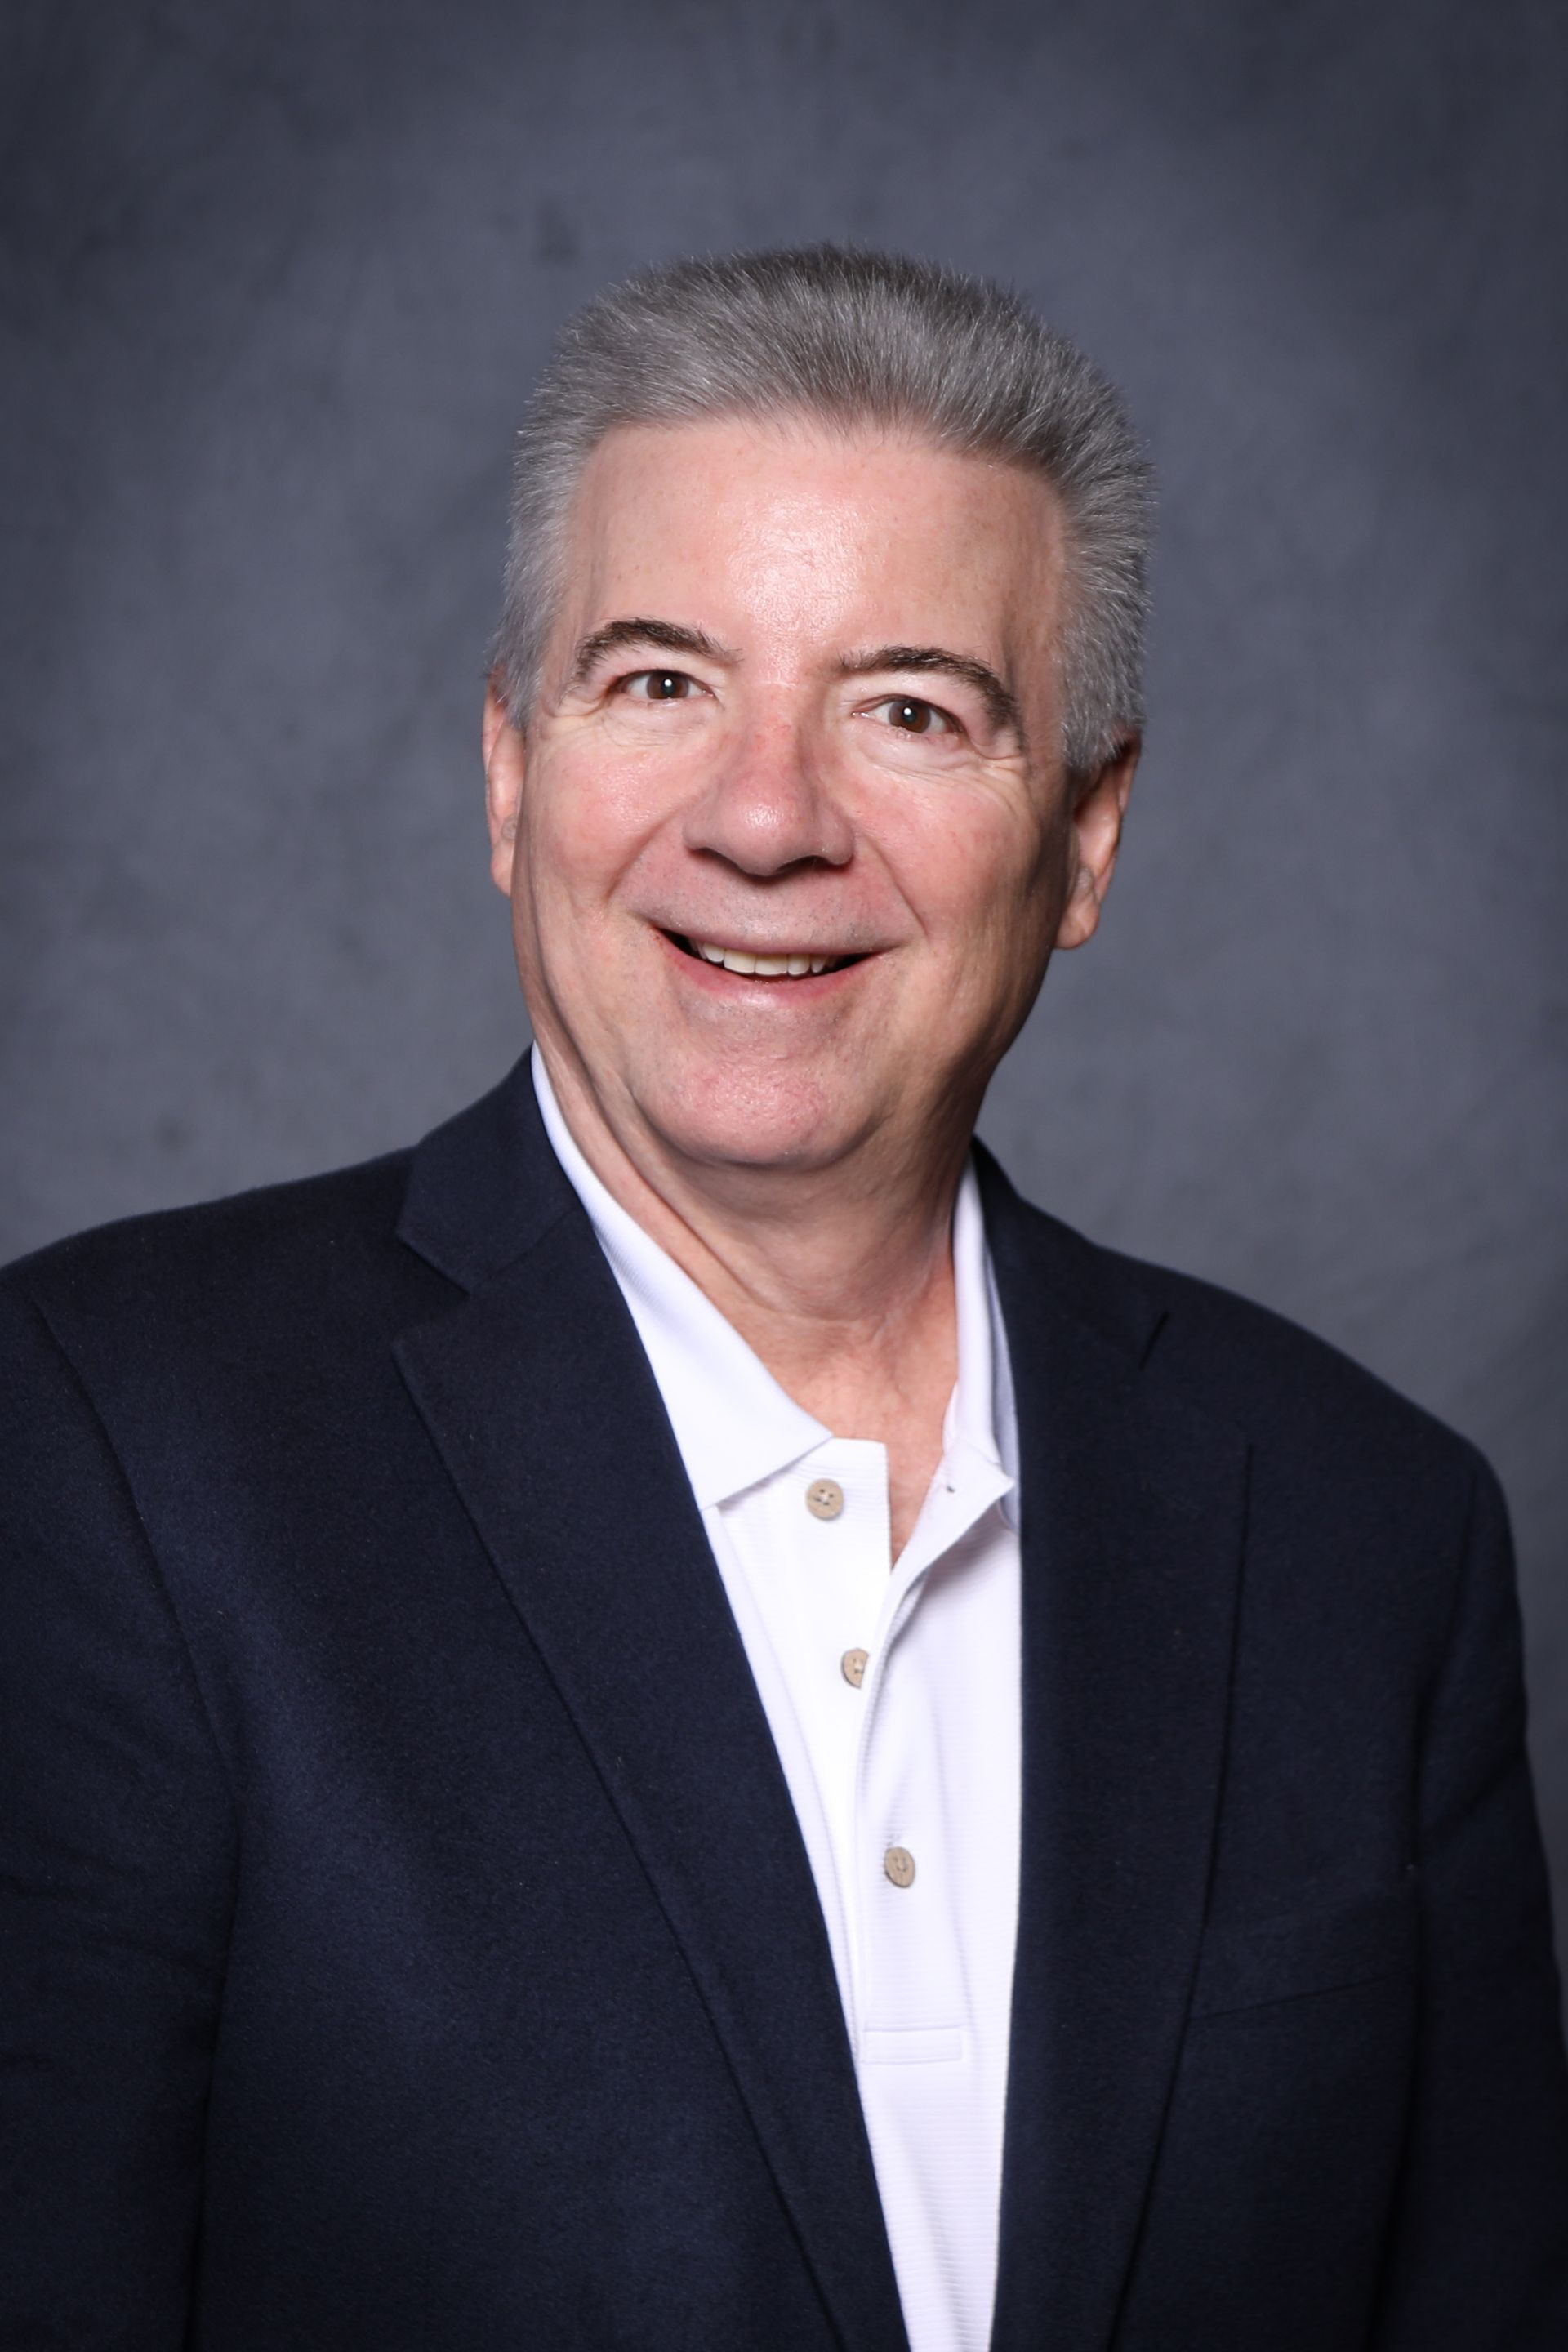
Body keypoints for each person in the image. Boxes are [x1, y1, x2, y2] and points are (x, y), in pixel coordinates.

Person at [2, 246, 1564, 2352]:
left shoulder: (1376, 1538)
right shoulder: (107, 1452)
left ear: (1085, 838)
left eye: (908, 709)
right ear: (506, 773)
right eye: (661, 681)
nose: (765, 820)